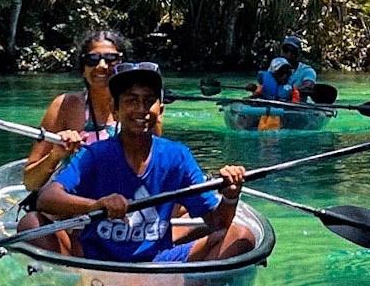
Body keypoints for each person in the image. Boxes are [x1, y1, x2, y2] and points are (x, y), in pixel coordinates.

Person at [27, 62, 255, 263]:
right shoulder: (95, 155)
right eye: (131, 100)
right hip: (97, 263)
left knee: (241, 236)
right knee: (31, 224)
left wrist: (230, 195)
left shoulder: (177, 156)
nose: (141, 109)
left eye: (149, 100)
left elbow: (218, 223)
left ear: (161, 109)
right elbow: (46, 199)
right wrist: (95, 206)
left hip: (157, 262)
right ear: (114, 110)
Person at [23, 28, 131, 191]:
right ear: (82, 68)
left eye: (111, 59)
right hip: (75, 202)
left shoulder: (139, 106)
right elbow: (30, 182)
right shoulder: (64, 106)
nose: (101, 66)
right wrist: (56, 155)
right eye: (92, 59)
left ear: (123, 65)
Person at [278, 35, 319, 101]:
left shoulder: (308, 71)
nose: (289, 54)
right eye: (286, 50)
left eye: (293, 51)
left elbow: (308, 87)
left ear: (298, 54)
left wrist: (288, 91)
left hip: (297, 107)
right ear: (281, 51)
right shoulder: (274, 68)